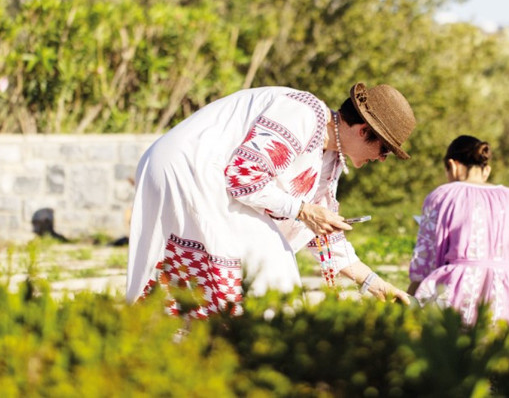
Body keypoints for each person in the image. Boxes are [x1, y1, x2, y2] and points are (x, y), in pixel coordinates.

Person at [126, 82, 416, 318]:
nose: (381, 159)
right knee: (267, 266)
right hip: (190, 166)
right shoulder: (304, 114)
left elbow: (320, 232)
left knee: (251, 270)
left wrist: (376, 284)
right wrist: (302, 211)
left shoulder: (328, 159)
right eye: (384, 150)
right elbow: (242, 177)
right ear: (364, 131)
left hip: (206, 176)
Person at [407, 135, 509, 331]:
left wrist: (412, 296)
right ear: (485, 170)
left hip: (458, 291)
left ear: (452, 165)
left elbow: (426, 256)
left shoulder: (442, 196)